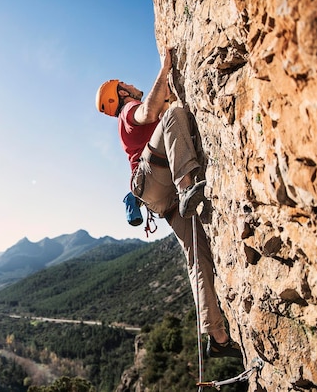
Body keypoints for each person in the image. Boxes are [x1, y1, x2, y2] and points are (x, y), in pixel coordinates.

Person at [95, 48, 242, 359]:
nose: (132, 85)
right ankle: (188, 184)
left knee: (197, 255)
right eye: (126, 85)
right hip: (159, 180)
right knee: (174, 114)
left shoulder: (128, 122)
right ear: (121, 93)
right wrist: (165, 67)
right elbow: (150, 111)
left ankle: (216, 335)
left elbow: (159, 105)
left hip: (160, 197)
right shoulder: (128, 111)